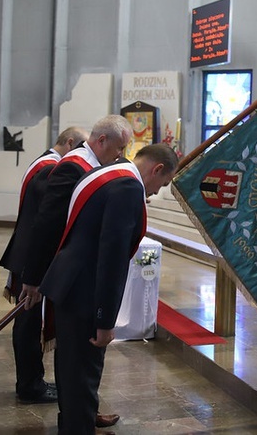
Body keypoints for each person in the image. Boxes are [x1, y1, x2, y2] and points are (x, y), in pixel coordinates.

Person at [39, 144, 178, 434]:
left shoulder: (110, 171)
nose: (155, 192)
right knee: (83, 370)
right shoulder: (128, 187)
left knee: (70, 366)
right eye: (161, 185)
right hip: (84, 292)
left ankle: (76, 421)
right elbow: (112, 258)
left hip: (68, 281)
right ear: (157, 169)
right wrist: (105, 320)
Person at [20, 114, 131, 428]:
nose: (120, 155)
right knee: (73, 354)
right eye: (118, 148)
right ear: (101, 141)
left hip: (72, 271)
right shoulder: (74, 165)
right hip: (64, 273)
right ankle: (76, 417)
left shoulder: (94, 163)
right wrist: (31, 277)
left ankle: (82, 412)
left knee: (77, 355)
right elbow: (47, 223)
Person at [0, 126, 87, 404]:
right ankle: (30, 385)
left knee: (28, 322)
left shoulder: (44, 162)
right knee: (27, 324)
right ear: (70, 142)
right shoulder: (50, 169)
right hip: (32, 259)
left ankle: (31, 380)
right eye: (82, 148)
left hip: (28, 254)